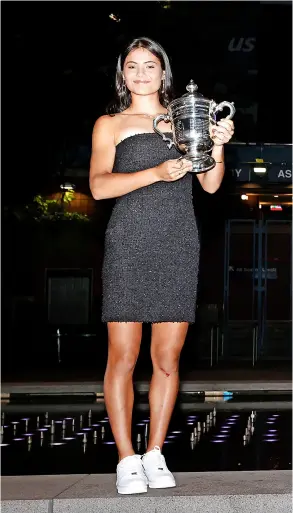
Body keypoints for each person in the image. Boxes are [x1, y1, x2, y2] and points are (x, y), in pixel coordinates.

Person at [89, 37, 234, 495]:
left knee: (167, 360)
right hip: (129, 242)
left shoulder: (186, 118)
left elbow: (210, 185)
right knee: (124, 357)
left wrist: (219, 144)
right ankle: (125, 460)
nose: (140, 74)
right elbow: (98, 187)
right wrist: (154, 172)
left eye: (149, 66)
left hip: (177, 241)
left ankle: (154, 453)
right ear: (122, 74)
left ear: (163, 72)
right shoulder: (109, 124)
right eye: (132, 66)